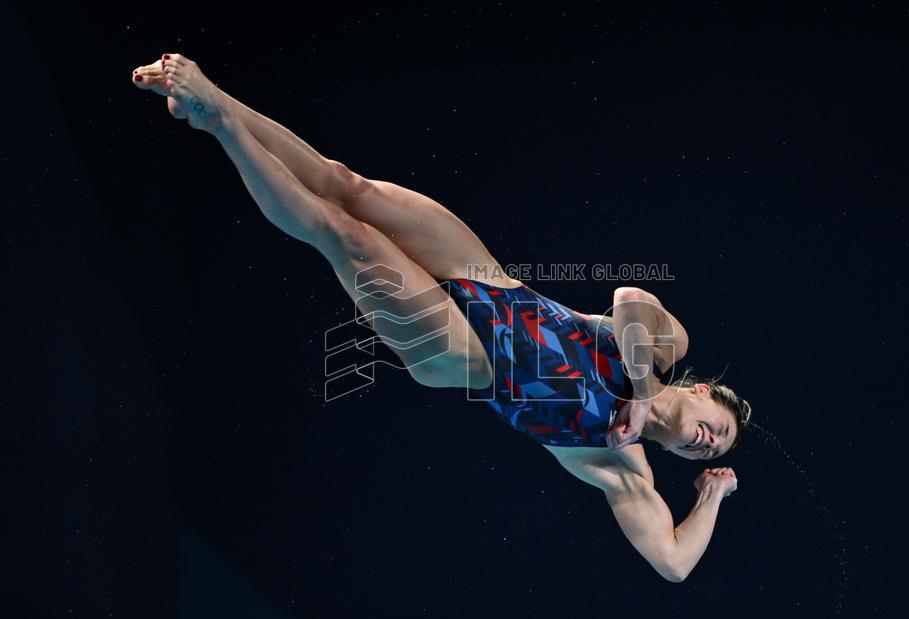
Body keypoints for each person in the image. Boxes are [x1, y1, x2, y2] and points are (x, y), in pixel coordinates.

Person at [132, 53, 751, 583]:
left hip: (466, 360)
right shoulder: (665, 350)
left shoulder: (623, 463)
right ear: (700, 392)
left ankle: (217, 125)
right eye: (717, 427)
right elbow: (627, 300)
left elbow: (674, 563)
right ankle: (213, 94)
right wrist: (641, 391)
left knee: (344, 235)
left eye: (709, 451)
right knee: (348, 186)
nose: (708, 443)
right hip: (491, 283)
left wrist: (714, 493)